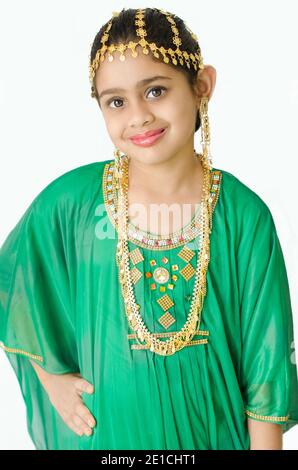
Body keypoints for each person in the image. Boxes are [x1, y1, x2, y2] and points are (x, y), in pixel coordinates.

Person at [0, 7, 298, 451]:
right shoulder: (72, 204)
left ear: (202, 86)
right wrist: (51, 377)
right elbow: (13, 285)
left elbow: (265, 365)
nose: (137, 116)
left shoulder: (242, 215)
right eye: (116, 102)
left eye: (155, 90)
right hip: (105, 439)